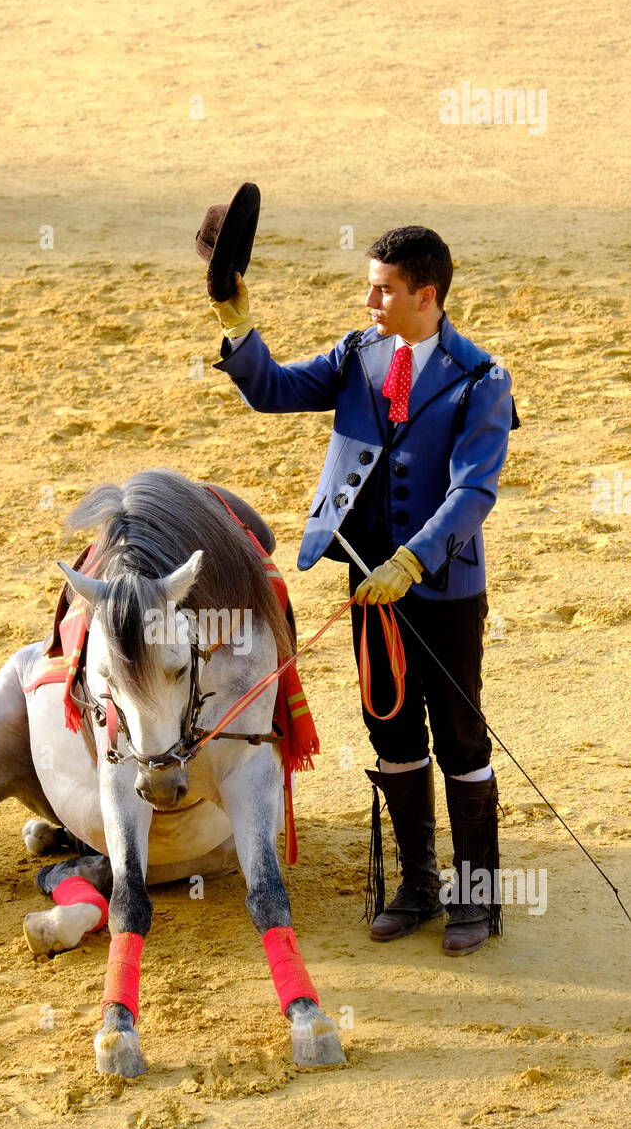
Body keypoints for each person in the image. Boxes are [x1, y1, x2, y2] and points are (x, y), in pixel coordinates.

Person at [208, 226, 516, 956]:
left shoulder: (482, 378)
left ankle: (475, 900)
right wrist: (236, 323)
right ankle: (415, 886)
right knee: (391, 727)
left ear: (426, 295)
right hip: (366, 581)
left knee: (463, 737)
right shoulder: (357, 354)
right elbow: (274, 391)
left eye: (383, 288)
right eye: (369, 284)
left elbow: (474, 491)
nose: (368, 298)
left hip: (440, 584)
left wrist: (411, 560)